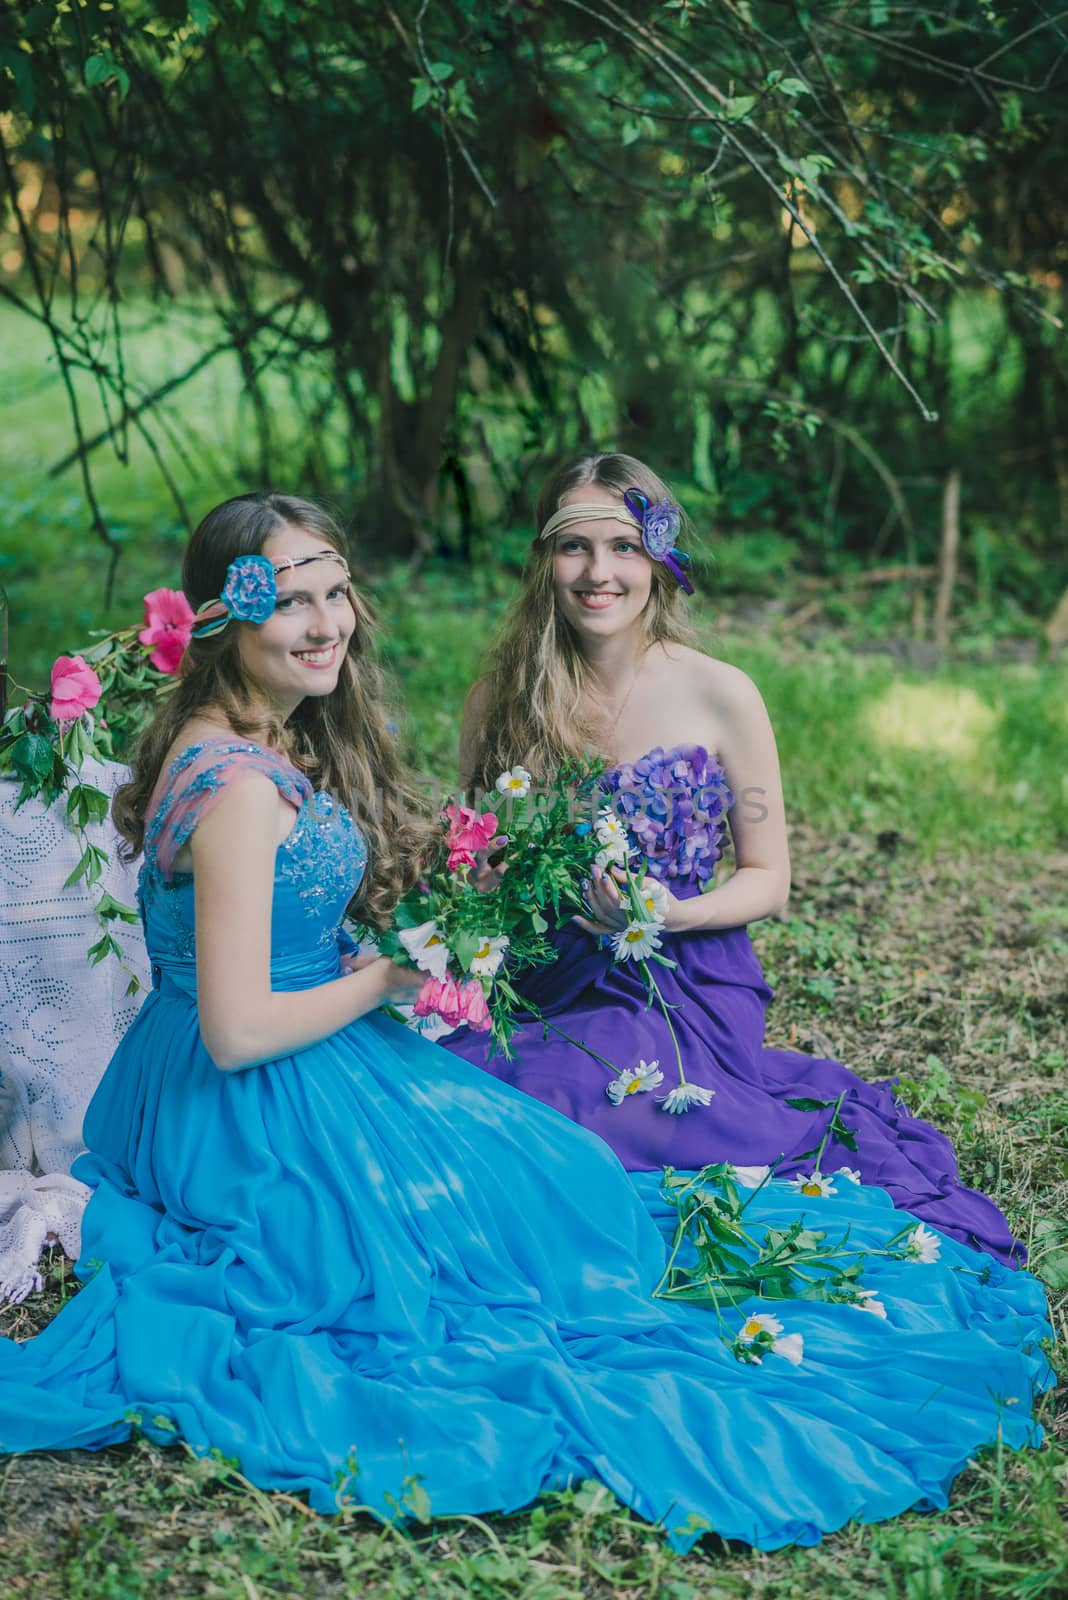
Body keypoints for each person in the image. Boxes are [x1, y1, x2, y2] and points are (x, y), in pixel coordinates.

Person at [0, 492, 1050, 1548]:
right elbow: (236, 1030)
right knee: (509, 1230)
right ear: (226, 618)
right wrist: (382, 981)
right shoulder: (239, 784)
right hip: (247, 1090)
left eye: (335, 591)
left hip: (268, 1049)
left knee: (555, 1176)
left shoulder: (236, 737)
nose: (326, 623)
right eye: (291, 602)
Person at [444, 452, 1023, 1267]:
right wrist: (487, 887)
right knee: (473, 1102)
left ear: (659, 558)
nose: (598, 571)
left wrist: (671, 913)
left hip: (683, 975)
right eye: (575, 546)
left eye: (624, 546)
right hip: (547, 974)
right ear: (544, 559)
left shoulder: (722, 693)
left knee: (590, 1100)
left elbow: (767, 877)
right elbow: (476, 863)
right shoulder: (501, 699)